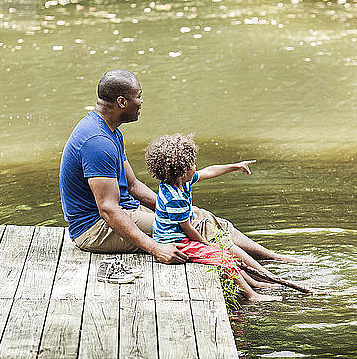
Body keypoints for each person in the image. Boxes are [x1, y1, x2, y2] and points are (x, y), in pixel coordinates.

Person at [59, 69, 312, 267]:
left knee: (198, 216)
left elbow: (133, 186)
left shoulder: (110, 131)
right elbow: (108, 209)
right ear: (122, 102)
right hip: (94, 230)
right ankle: (263, 277)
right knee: (197, 226)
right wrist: (156, 248)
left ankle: (272, 258)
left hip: (122, 212)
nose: (142, 101)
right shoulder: (97, 142)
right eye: (138, 96)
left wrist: (171, 206)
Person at [146, 133, 281, 301]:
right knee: (221, 256)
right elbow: (186, 227)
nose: (195, 166)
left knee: (223, 252)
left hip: (180, 236)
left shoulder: (181, 182)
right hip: (174, 242)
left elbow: (209, 171)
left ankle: (254, 283)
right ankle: (252, 295)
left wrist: (235, 166)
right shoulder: (175, 197)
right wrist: (204, 243)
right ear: (182, 171)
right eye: (193, 164)